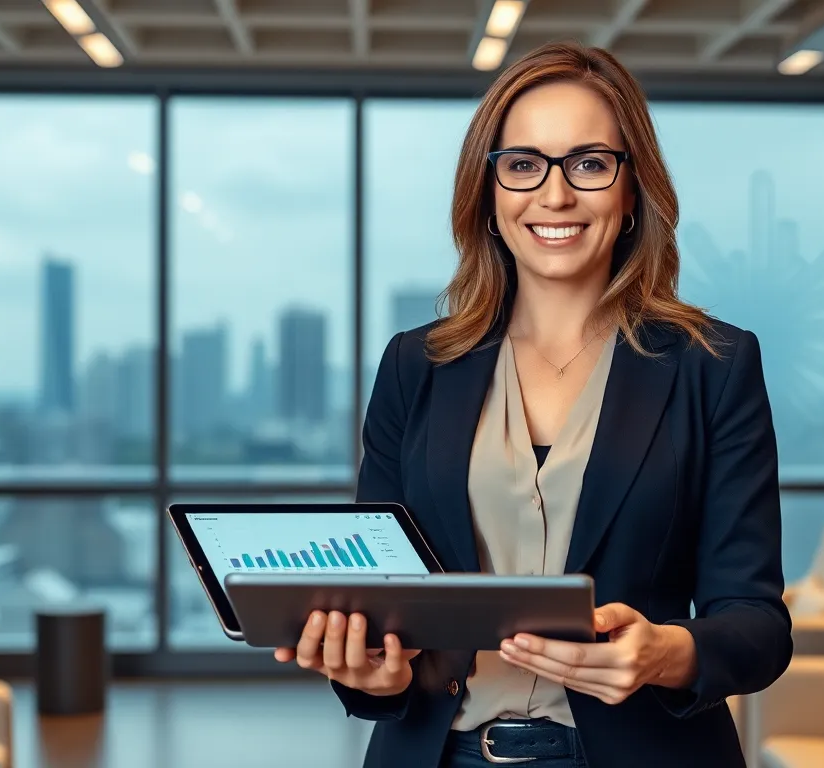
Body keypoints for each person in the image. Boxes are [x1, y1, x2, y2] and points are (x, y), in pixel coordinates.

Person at [274, 41, 792, 768]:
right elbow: (382, 597)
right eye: (523, 165)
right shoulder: (414, 367)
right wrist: (371, 673)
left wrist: (666, 652)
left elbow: (759, 625)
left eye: (588, 163)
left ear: (632, 187)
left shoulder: (714, 365)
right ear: (488, 193)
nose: (555, 195)